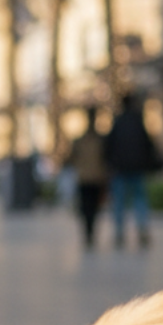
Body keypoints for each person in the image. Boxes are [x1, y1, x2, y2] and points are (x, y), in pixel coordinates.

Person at [104, 91, 163, 249]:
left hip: (120, 169)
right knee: (139, 199)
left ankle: (119, 232)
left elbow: (108, 146)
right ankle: (142, 228)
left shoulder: (118, 122)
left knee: (119, 202)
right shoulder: (139, 122)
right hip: (137, 169)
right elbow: (148, 146)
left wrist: (110, 163)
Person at [66, 107, 108, 250]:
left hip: (87, 178)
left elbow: (71, 158)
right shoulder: (98, 140)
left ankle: (89, 232)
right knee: (90, 208)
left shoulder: (83, 140)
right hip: (93, 178)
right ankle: (89, 232)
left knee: (87, 208)